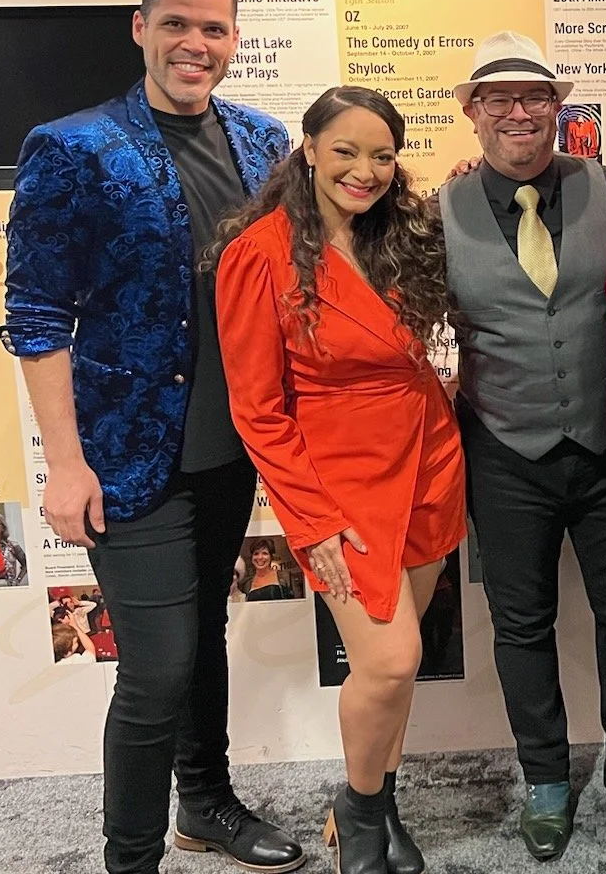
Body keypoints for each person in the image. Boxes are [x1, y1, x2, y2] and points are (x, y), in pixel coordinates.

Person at [0, 0, 301, 874]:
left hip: (230, 447)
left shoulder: (263, 141)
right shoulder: (72, 148)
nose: (193, 44)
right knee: (158, 665)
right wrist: (66, 464)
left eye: (213, 28)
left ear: (235, 39)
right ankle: (129, 859)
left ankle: (204, 805)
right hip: (127, 456)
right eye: (175, 23)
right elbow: (37, 315)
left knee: (202, 634)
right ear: (140, 28)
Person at [439, 30, 606, 860]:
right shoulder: (436, 212)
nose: (518, 112)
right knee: (521, 624)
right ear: (473, 112)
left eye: (535, 97)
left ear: (557, 106)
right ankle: (545, 778)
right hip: (504, 450)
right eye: (498, 99)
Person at [216, 84, 465, 874]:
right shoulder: (257, 253)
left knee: (399, 667)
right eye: (347, 152)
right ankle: (358, 812)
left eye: (382, 156)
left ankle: (380, 806)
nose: (365, 170)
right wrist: (312, 520)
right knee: (386, 661)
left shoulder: (396, 235)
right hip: (342, 484)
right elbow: (258, 412)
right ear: (310, 150)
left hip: (428, 459)